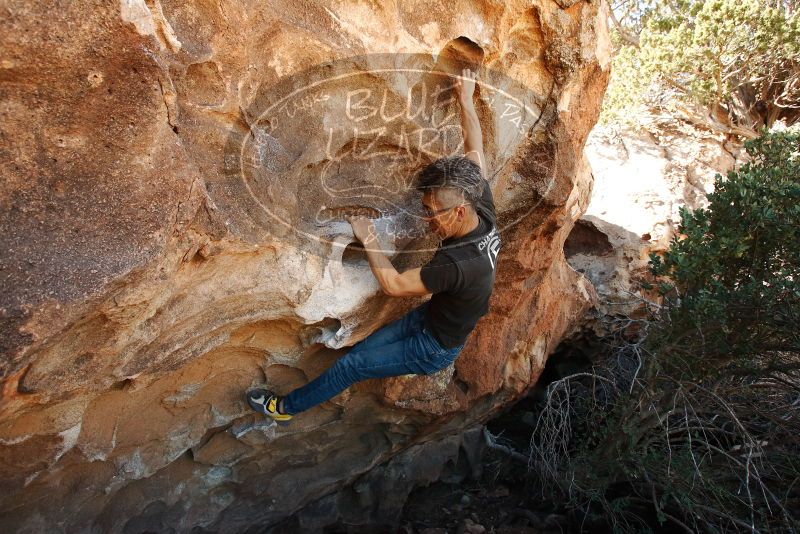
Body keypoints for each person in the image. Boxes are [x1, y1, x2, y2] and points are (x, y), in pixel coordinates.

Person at [247, 68, 501, 423]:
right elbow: (475, 149)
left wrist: (368, 238)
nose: (427, 220)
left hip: (433, 348)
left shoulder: (459, 263)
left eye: (432, 212)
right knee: (365, 354)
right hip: (430, 320)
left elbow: (395, 285)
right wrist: (464, 98)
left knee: (353, 364)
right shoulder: (480, 203)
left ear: (458, 211)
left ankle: (283, 409)